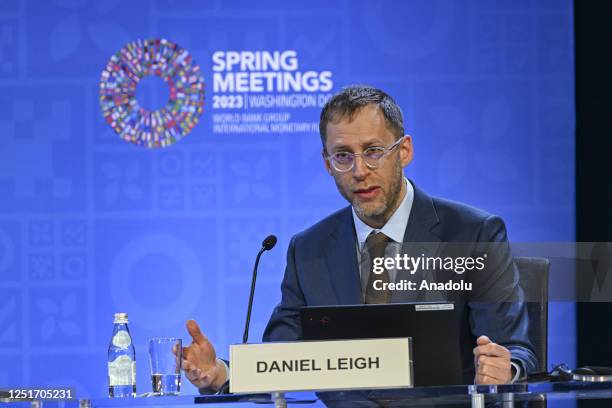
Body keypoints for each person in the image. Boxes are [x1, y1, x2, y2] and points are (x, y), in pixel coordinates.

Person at [181, 85, 537, 391]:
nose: (359, 171)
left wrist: (505, 369)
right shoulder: (309, 249)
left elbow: (515, 352)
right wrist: (220, 373)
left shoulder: (473, 234)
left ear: (404, 150)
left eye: (373, 151)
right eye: (343, 156)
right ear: (327, 162)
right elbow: (280, 361)